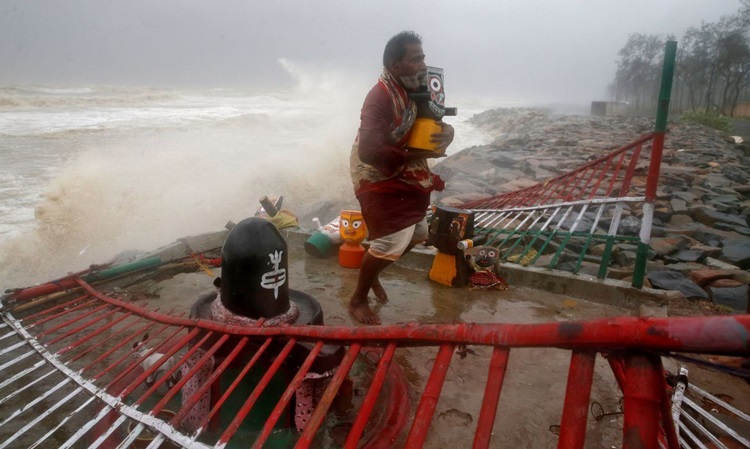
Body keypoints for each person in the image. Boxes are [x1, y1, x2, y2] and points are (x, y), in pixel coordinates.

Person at [348, 30, 454, 324]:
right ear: (395, 66)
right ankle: (358, 299)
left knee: (418, 235)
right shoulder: (379, 97)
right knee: (387, 243)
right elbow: (369, 152)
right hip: (374, 170)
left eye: (423, 58)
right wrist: (411, 156)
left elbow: (433, 123)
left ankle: (373, 273)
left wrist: (446, 133)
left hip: (406, 163)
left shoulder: (417, 87)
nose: (423, 65)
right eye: (416, 59)